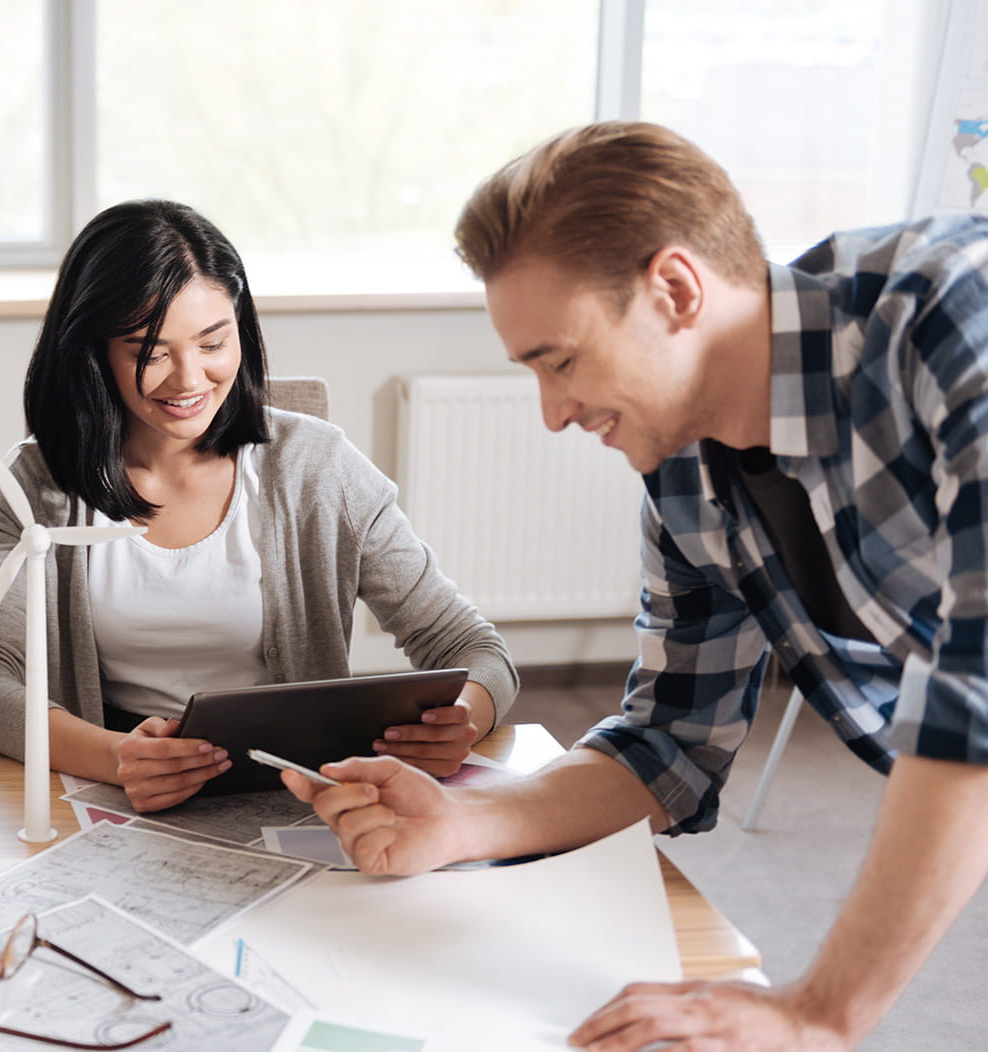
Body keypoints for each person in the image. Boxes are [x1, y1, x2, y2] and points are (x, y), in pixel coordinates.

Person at [285, 120, 988, 1051]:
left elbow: (975, 694)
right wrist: (464, 820)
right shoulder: (685, 476)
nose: (553, 414)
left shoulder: (954, 316)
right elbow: (668, 747)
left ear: (675, 290)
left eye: (561, 361)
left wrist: (817, 1013)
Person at [0, 199, 518, 811]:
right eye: (150, 352)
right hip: (119, 794)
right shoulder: (38, 487)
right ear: (94, 352)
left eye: (212, 342)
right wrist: (113, 757)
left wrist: (462, 718)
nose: (189, 380)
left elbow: (475, 650)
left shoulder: (318, 467)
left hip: (295, 794)